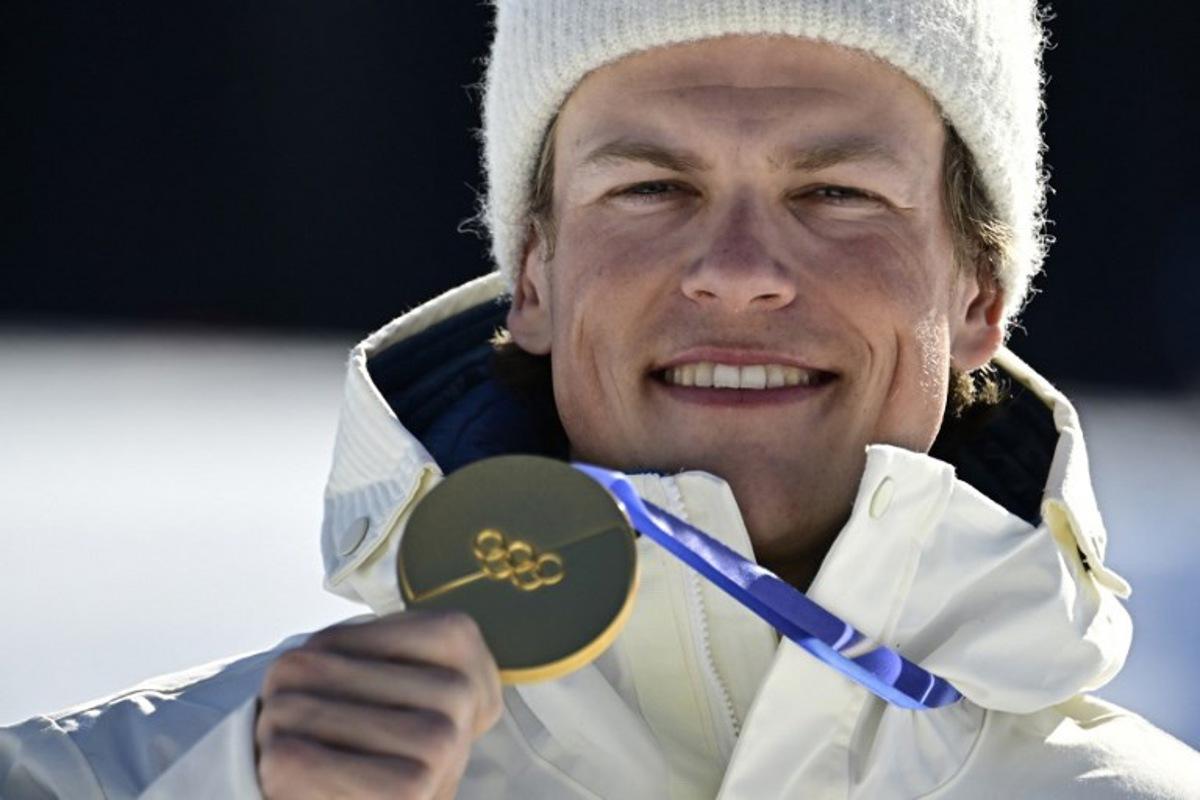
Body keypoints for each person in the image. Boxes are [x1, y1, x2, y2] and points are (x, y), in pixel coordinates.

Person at [3, 1, 1199, 797]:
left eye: (836, 192)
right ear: (531, 275)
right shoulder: (181, 772)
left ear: (982, 294)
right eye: (651, 187)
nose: (737, 268)